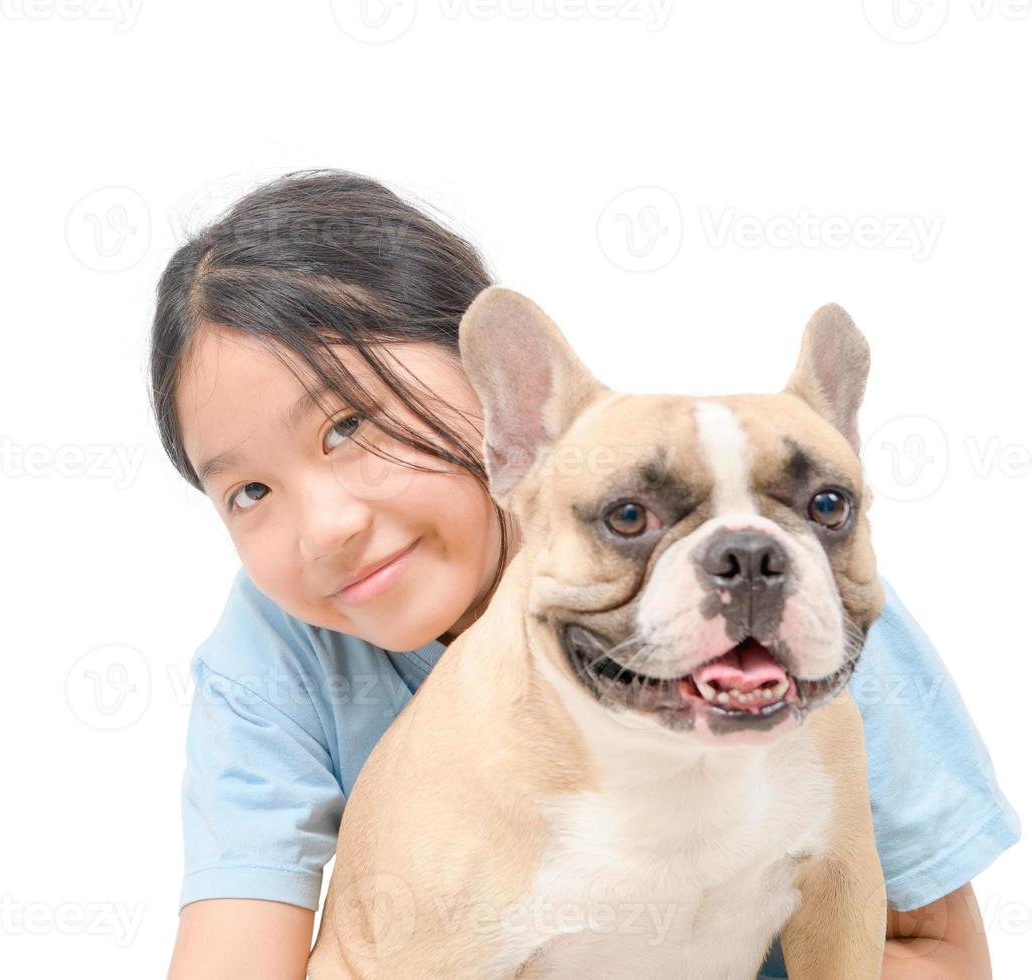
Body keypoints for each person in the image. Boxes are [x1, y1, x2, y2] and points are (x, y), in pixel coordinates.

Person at [149, 169, 1020, 979]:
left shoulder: (798, 602)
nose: (328, 527)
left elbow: (938, 949)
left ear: (492, 401)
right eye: (249, 489)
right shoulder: (272, 651)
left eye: (350, 426)